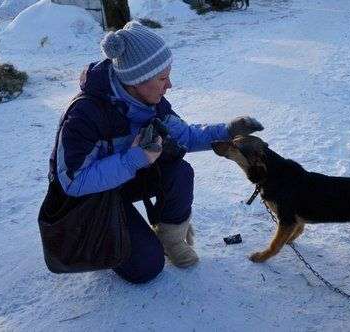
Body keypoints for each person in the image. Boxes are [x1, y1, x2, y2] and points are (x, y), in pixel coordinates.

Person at [50, 21, 263, 284]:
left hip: (124, 178)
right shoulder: (84, 114)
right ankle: (109, 235)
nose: (169, 85)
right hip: (90, 196)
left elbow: (185, 135)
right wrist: (135, 158)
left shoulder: (152, 103)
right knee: (146, 268)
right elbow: (73, 182)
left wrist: (229, 130)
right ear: (136, 81)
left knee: (179, 172)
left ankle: (171, 239)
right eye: (162, 78)